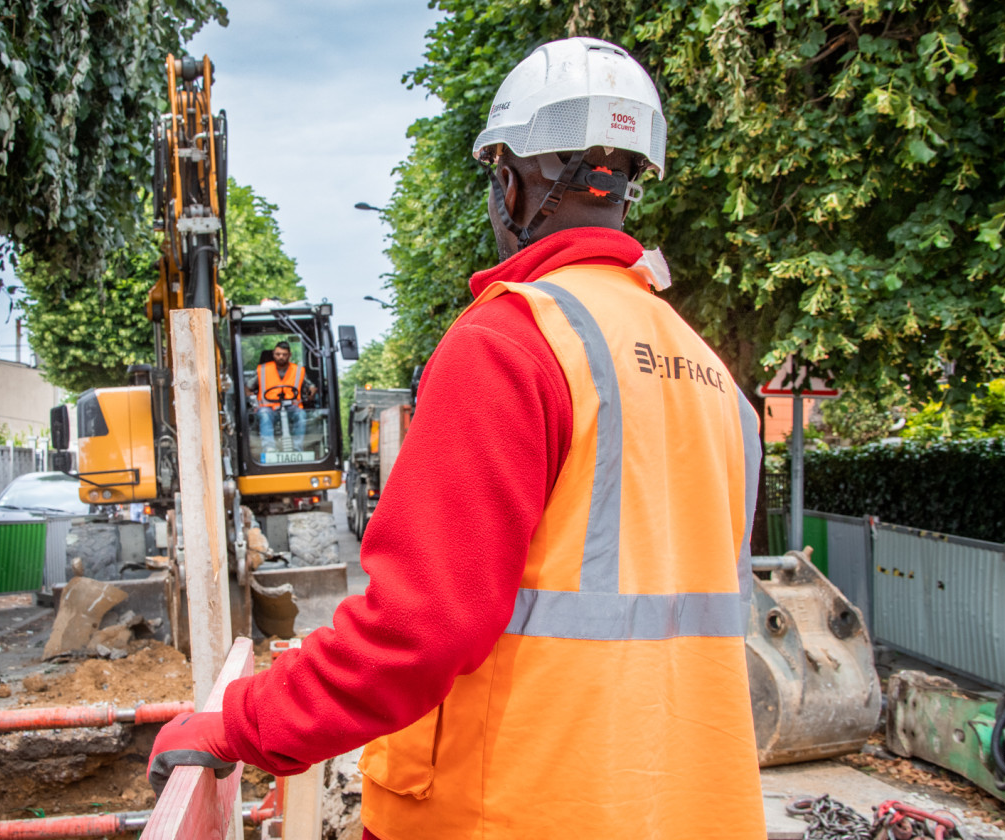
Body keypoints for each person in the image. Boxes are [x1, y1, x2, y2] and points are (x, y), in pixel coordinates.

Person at [150, 37, 765, 839]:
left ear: (510, 183)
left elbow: (414, 631)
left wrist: (240, 724)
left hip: (519, 812)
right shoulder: (710, 376)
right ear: (627, 185)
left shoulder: (513, 343)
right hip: (687, 811)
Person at [246, 341, 317, 454]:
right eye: (278, 354)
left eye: (284, 354)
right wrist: (251, 397)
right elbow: (248, 387)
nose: (281, 357)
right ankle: (269, 448)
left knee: (301, 415)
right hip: (268, 408)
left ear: (289, 355)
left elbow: (310, 386)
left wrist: (312, 390)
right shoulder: (262, 370)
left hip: (291, 407)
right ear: (273, 354)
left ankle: (297, 448)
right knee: (264, 415)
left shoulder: (298, 370)